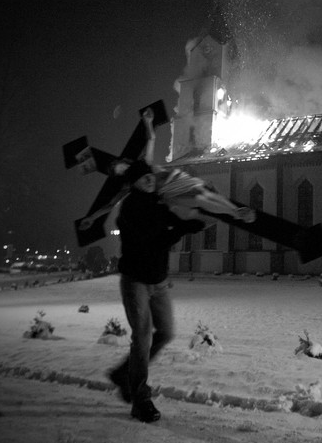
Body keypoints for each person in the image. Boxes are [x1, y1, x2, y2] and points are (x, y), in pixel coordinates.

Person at [107, 159, 205, 423]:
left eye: (150, 175)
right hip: (136, 282)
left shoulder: (158, 203)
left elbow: (174, 220)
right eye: (143, 177)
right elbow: (149, 241)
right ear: (134, 182)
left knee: (167, 332)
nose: (150, 178)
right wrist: (181, 229)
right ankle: (140, 399)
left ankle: (122, 374)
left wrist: (193, 221)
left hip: (158, 282)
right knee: (142, 339)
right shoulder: (129, 208)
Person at [111, 108, 255, 224]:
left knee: (205, 193)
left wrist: (148, 122)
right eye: (119, 172)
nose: (122, 170)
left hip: (177, 179)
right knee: (199, 200)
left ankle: (235, 210)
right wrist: (96, 215)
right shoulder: (132, 185)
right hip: (169, 194)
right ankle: (233, 213)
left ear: (124, 162)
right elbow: (113, 203)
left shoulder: (145, 165)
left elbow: (151, 139)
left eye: (121, 167)